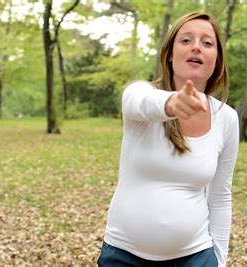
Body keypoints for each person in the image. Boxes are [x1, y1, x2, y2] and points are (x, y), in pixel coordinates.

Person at [97, 12, 239, 267]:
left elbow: (220, 196)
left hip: (196, 256)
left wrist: (220, 259)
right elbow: (140, 103)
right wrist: (172, 103)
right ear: (170, 54)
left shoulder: (226, 118)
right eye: (186, 40)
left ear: (216, 60)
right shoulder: (140, 94)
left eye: (207, 43)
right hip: (123, 256)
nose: (196, 46)